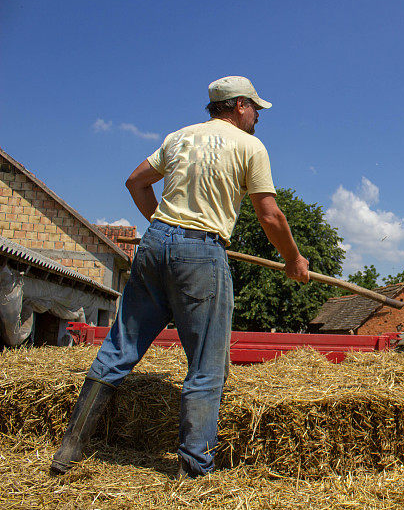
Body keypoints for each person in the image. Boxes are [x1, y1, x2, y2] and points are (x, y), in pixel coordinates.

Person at [50, 76, 310, 478]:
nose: (258, 116)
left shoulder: (179, 138)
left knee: (119, 347)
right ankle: (195, 471)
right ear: (239, 105)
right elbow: (270, 214)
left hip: (154, 245)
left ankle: (69, 449)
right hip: (202, 252)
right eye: (255, 107)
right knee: (207, 364)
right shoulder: (250, 146)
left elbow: (135, 181)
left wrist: (161, 227)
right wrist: (294, 259)